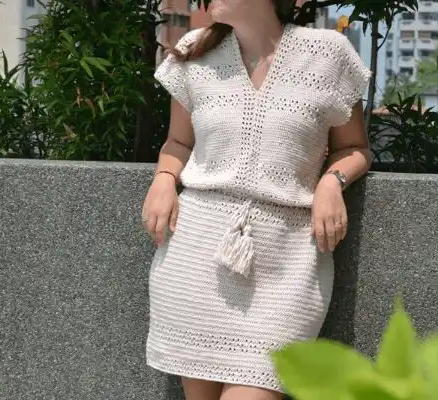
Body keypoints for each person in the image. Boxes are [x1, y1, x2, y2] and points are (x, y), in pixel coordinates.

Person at [142, 0, 372, 399]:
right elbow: (177, 142)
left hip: (287, 264)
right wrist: (163, 180)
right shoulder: (194, 51)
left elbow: (355, 148)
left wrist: (331, 183)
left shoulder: (328, 54)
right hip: (196, 259)